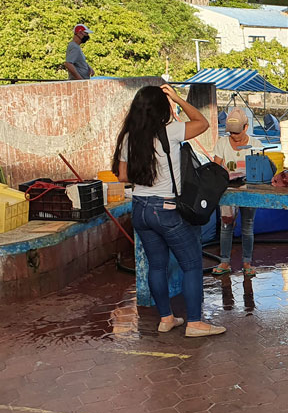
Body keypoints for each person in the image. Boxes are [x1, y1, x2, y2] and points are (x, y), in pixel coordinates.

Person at [111, 84, 225, 338]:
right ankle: (194, 323)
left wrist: (148, 174)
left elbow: (122, 175)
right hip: (166, 209)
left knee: (157, 266)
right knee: (192, 264)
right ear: (161, 108)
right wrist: (178, 98)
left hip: (139, 208)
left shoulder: (129, 136)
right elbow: (202, 122)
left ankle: (166, 318)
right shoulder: (170, 131)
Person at [212, 107, 264, 277]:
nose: (234, 136)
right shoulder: (222, 143)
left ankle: (247, 262)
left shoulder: (256, 145)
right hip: (227, 192)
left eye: (237, 132)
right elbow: (215, 167)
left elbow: (262, 170)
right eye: (231, 133)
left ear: (246, 127)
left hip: (249, 192)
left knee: (248, 226)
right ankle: (225, 261)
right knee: (226, 225)